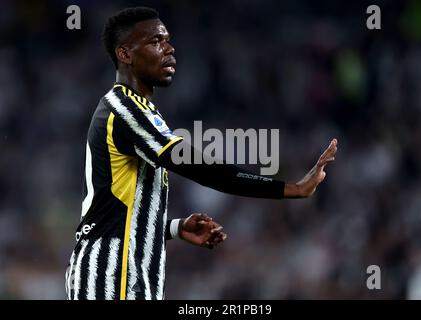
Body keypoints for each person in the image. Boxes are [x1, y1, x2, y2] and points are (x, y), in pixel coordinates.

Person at [65, 7, 338, 300]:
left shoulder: (134, 110)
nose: (169, 48)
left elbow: (114, 209)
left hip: (121, 277)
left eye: (168, 40)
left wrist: (175, 228)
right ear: (125, 54)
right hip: (111, 277)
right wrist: (291, 189)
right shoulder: (124, 111)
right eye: (156, 41)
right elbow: (203, 169)